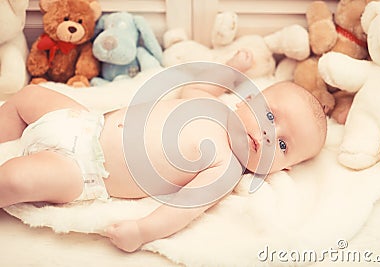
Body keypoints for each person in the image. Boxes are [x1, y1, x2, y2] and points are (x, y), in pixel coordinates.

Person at [0, 51, 327, 252]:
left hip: (83, 169)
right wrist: (229, 68)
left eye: (283, 145)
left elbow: (185, 207)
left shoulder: (225, 166)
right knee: (29, 96)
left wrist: (142, 231)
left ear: (282, 169)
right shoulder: (212, 103)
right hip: (86, 121)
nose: (271, 135)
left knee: (16, 179)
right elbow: (196, 85)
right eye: (270, 116)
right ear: (247, 99)